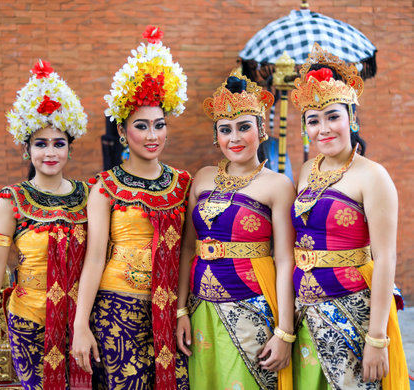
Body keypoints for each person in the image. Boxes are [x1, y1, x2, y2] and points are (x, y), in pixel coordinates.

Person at [72, 26, 191, 390]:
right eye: (142, 126)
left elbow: (187, 251)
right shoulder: (105, 187)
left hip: (170, 311)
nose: (153, 135)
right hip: (116, 310)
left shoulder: (183, 184)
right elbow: (93, 259)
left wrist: (183, 309)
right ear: (123, 132)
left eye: (159, 125)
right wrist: (80, 325)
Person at [290, 43, 409, 389]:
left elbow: (386, 258)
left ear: (351, 117)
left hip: (353, 315)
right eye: (313, 120)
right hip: (305, 316)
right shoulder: (305, 171)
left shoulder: (373, 176)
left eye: (333, 116)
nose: (323, 129)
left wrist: (376, 339)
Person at [0, 60, 91, 389]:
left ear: (70, 146)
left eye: (59, 143)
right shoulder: (12, 199)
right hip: (29, 318)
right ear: (26, 149)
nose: (50, 152)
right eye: (40, 144)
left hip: (82, 319)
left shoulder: (89, 194)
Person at [176, 69, 295, 390]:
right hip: (201, 309)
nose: (235, 138)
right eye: (225, 130)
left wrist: (284, 332)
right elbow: (188, 248)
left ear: (261, 130)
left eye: (244, 127)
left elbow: (285, 260)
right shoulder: (201, 178)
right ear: (216, 136)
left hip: (252, 307)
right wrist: (180, 310)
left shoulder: (278, 185)